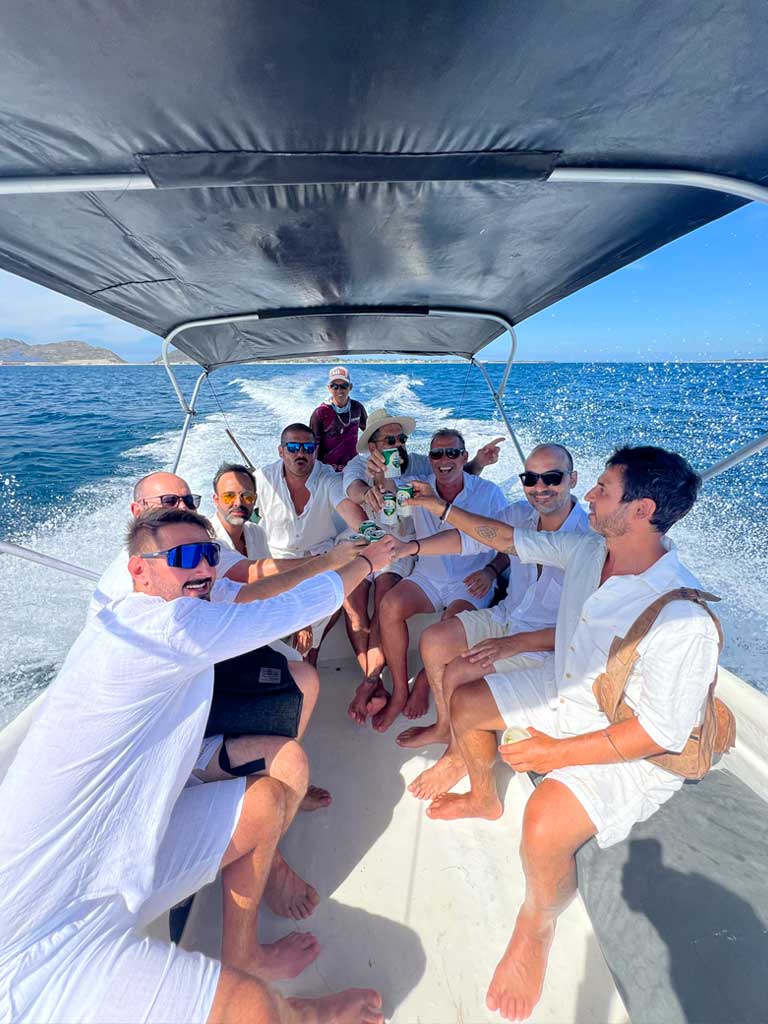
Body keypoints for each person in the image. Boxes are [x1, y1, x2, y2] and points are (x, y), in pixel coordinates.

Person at [0, 506, 393, 1024]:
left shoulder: (166, 608)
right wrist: (368, 562)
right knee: (251, 1009)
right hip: (33, 927)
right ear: (139, 571)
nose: (204, 567)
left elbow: (262, 592)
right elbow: (288, 610)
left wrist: (331, 561)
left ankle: (243, 954)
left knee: (265, 801)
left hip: (124, 850)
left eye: (209, 554)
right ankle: (297, 1015)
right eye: (185, 556)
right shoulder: (167, 623)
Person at [406, 446, 720, 1021]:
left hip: (627, 735)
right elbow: (506, 538)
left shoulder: (682, 616)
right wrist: (438, 508)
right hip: (570, 688)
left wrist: (555, 752)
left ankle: (537, 923)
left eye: (603, 489)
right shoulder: (587, 550)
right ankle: (483, 795)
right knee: (467, 700)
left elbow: (657, 734)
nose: (590, 497)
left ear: (642, 510)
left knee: (544, 823)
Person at [92, 469, 341, 810]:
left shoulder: (205, 548)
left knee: (303, 676)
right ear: (137, 512)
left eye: (187, 501)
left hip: (205, 669)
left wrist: (307, 601)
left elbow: (244, 592)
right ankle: (270, 777)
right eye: (169, 501)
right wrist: (328, 564)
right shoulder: (135, 592)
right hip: (170, 716)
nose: (182, 508)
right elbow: (248, 575)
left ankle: (278, 775)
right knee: (288, 755)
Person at [396, 445, 589, 803]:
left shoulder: (590, 539)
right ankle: (445, 726)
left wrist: (513, 644)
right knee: (434, 640)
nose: (539, 487)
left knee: (458, 673)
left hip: (545, 645)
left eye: (552, 478)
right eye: (530, 478)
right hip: (508, 616)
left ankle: (457, 757)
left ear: (573, 479)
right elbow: (470, 539)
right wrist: (410, 548)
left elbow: (585, 632)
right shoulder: (519, 513)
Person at [343, 409, 505, 724]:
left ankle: (424, 681)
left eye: (453, 453)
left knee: (447, 628)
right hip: (427, 576)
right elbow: (382, 492)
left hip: (471, 580)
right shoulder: (416, 487)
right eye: (437, 454)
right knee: (388, 605)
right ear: (429, 460)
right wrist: (378, 477)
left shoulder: (490, 493)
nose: (444, 459)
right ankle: (399, 690)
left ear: (464, 456)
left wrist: (491, 571)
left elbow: (508, 543)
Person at [255, 423, 368, 662]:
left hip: (322, 560)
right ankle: (301, 659)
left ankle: (308, 660)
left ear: (315, 451)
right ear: (281, 451)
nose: (301, 453)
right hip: (277, 562)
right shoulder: (262, 479)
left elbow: (349, 511)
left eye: (307, 448)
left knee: (328, 596)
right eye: (293, 447)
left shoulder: (327, 477)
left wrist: (376, 535)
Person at [309, 365, 368, 471]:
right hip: (327, 469)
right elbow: (313, 446)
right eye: (334, 386)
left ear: (350, 387)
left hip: (352, 466)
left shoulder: (357, 408)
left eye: (344, 386)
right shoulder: (320, 413)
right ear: (329, 388)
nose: (339, 390)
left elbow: (370, 433)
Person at [211, 461, 269, 559]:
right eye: (229, 496)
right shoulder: (206, 539)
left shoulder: (258, 533)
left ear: (255, 499)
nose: (238, 503)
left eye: (247, 496)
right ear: (216, 500)